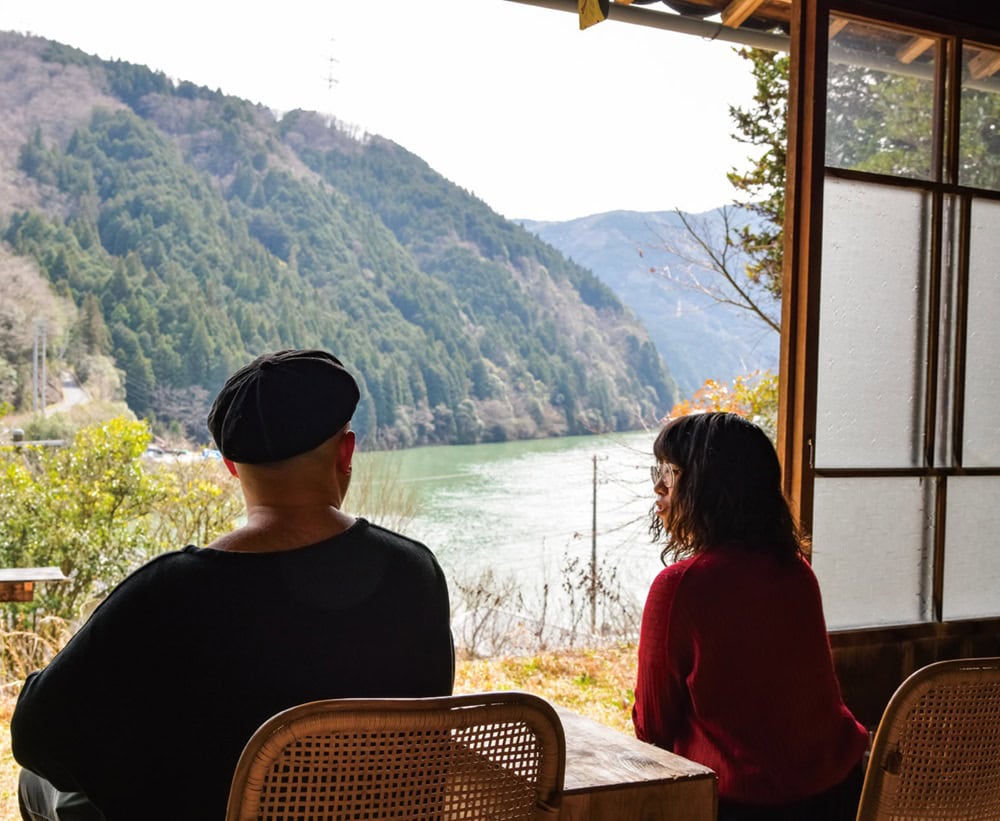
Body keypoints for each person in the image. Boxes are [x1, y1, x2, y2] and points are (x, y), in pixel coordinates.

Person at [12, 349, 455, 821]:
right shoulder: (414, 572)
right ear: (346, 453)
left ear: (230, 466)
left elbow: (36, 735)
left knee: (38, 785)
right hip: (378, 813)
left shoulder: (166, 592)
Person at [632, 412, 868, 820]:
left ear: (706, 487)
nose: (658, 486)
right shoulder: (795, 569)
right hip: (841, 793)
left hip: (741, 804)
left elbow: (651, 729)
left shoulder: (680, 587)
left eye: (669, 473)